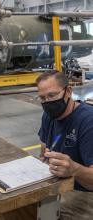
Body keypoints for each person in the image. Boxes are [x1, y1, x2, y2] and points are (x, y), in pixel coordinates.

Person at [36, 71, 93, 220]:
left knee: (45, 213)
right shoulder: (48, 117)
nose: (47, 102)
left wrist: (75, 169)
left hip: (84, 192)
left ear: (68, 91)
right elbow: (43, 154)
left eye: (52, 95)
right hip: (59, 186)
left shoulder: (88, 121)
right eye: (42, 98)